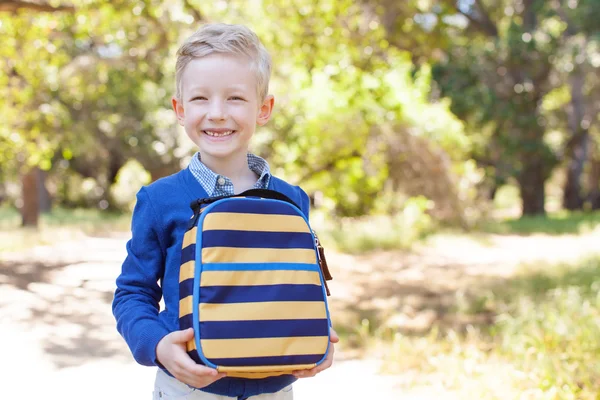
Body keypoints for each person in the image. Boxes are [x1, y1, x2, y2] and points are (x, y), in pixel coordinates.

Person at [112, 22, 338, 400]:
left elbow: (298, 286)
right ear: (180, 110)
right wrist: (157, 345)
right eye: (200, 99)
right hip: (188, 387)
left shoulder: (293, 199)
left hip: (276, 389)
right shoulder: (159, 199)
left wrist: (317, 340)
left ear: (263, 109)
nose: (217, 113)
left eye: (235, 98)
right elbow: (133, 292)